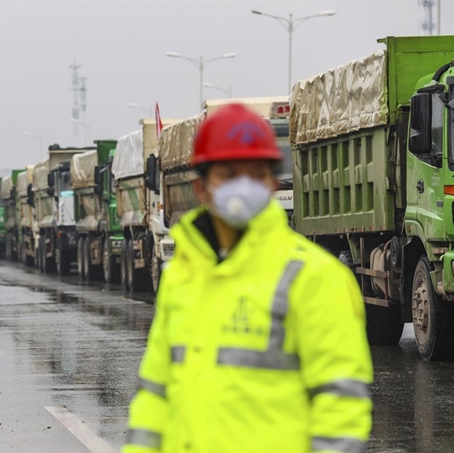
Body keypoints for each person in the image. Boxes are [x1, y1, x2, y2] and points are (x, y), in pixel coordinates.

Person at [123, 104, 373, 453]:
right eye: (229, 173)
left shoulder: (314, 277)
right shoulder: (183, 274)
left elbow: (341, 407)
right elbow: (155, 392)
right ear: (201, 188)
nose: (243, 186)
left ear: (272, 183)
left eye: (256, 174)